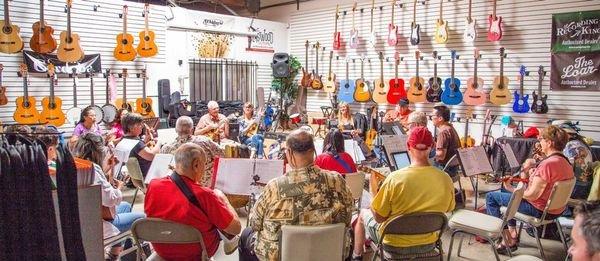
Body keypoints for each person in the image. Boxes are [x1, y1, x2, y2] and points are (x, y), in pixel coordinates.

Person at [239, 130, 354, 260]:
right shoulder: (338, 181)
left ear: (289, 153)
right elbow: (348, 217)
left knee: (245, 234)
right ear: (314, 150)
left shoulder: (274, 187)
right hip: (329, 254)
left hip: (280, 256)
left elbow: (255, 224)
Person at [352, 127, 455, 260]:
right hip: (428, 243)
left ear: (408, 146)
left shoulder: (395, 178)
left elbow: (379, 218)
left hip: (394, 244)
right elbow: (448, 208)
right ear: (433, 146)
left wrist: (374, 195)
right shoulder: (445, 178)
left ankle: (356, 256)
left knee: (362, 215)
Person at [485, 125, 575, 254]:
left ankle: (506, 241)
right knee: (505, 194)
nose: (539, 142)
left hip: (539, 210)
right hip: (557, 210)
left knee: (491, 197)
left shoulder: (548, 164)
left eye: (541, 139)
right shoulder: (565, 162)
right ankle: (512, 231)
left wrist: (511, 188)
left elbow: (532, 195)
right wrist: (529, 174)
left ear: (549, 143)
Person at [145, 143, 242, 260]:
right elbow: (235, 229)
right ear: (196, 165)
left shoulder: (153, 185)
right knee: (225, 231)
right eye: (204, 165)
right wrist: (223, 199)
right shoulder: (205, 195)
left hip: (162, 250)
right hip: (196, 253)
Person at [71, 132, 146, 260]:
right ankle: (117, 254)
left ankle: (119, 253)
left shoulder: (77, 165)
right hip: (96, 222)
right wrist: (119, 188)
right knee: (142, 217)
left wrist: (109, 171)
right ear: (98, 151)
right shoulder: (93, 169)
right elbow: (111, 199)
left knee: (126, 206)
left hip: (87, 214)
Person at [161, 116, 224, 187]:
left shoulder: (166, 148)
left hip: (179, 189)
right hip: (205, 188)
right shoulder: (205, 142)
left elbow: (164, 172)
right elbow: (222, 154)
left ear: (176, 130)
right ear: (192, 129)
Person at [121, 113, 160, 177]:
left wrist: (146, 139)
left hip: (136, 177)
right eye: (139, 124)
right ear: (131, 128)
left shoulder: (125, 140)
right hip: (147, 177)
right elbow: (152, 156)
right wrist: (159, 142)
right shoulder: (136, 143)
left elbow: (137, 150)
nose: (142, 126)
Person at [431, 104, 460, 177]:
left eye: (432, 116)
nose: (431, 118)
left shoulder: (443, 132)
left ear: (440, 118)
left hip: (445, 170)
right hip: (454, 168)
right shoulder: (450, 128)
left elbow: (441, 155)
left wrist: (426, 153)